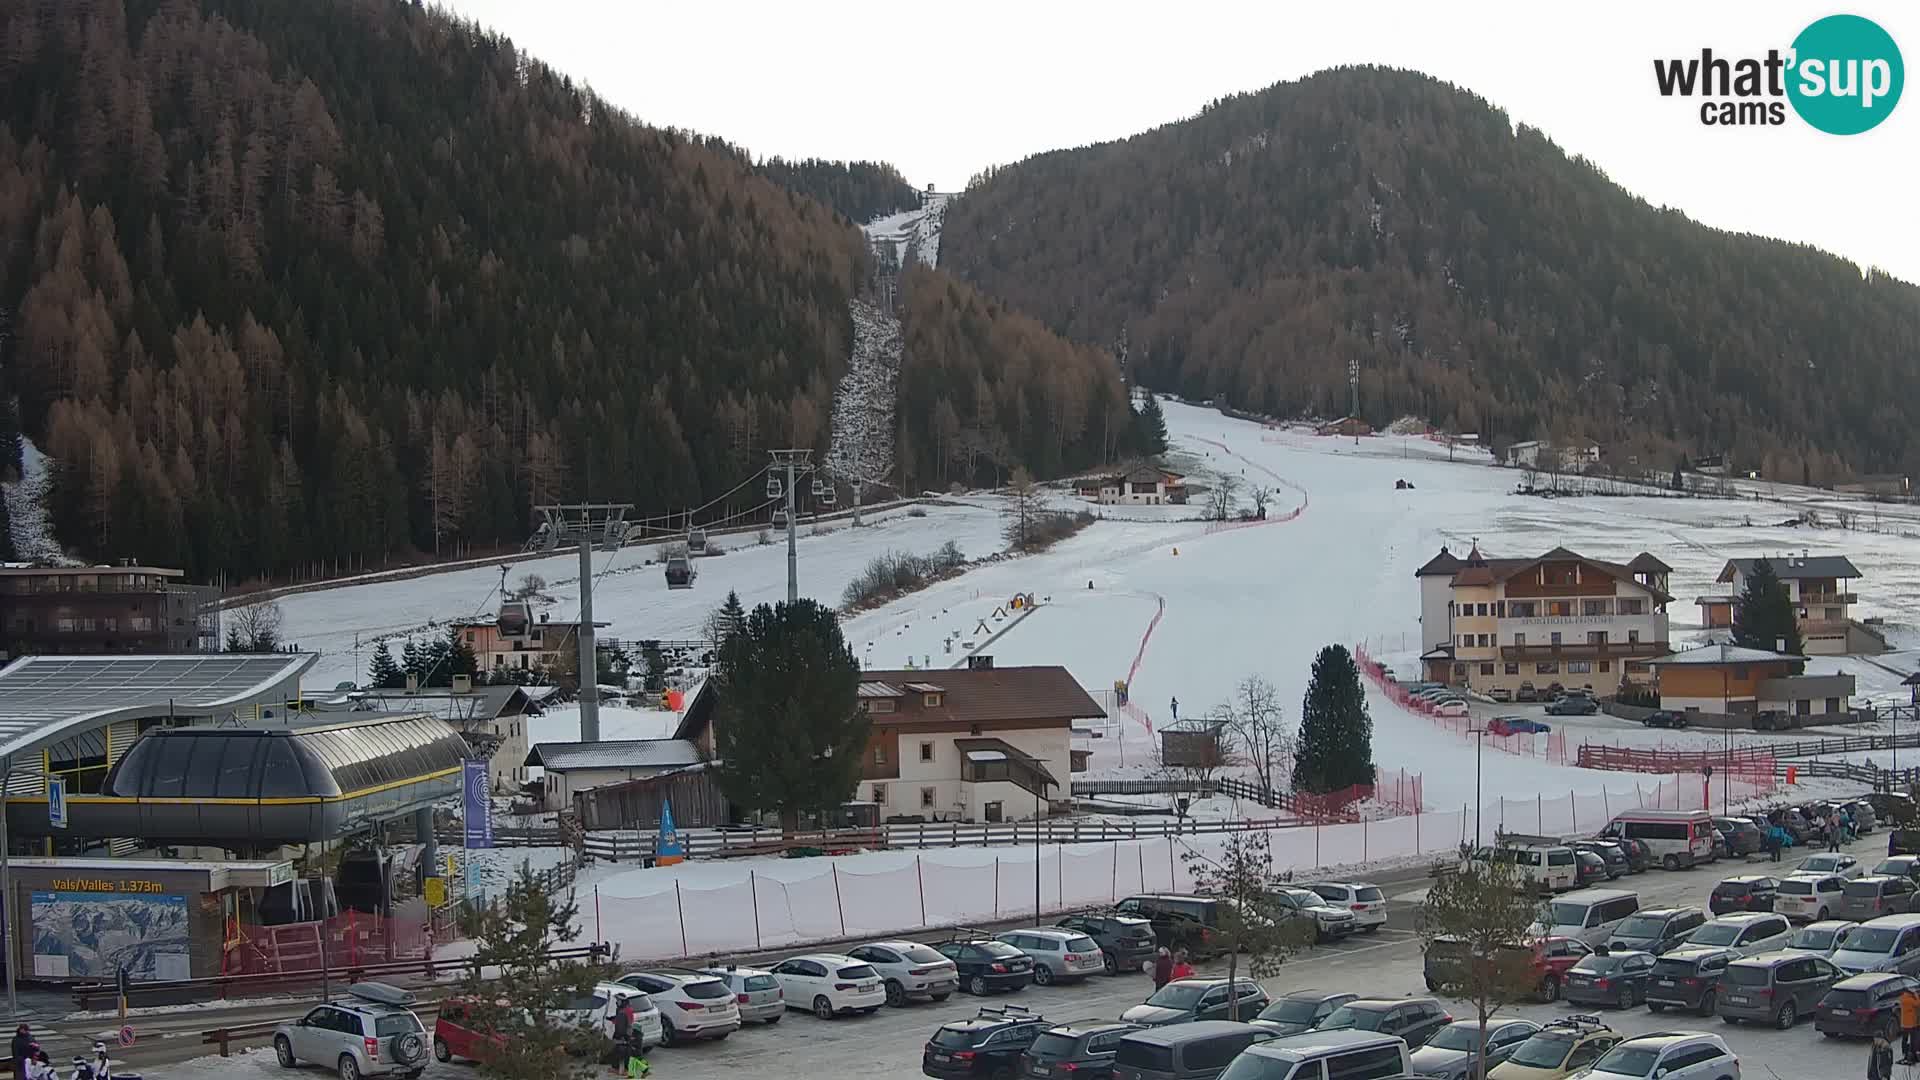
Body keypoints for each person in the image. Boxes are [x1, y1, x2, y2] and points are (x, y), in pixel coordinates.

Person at [1901, 981, 1920, 1065]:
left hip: (1904, 1023)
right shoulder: (1910, 1000)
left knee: (1904, 1039)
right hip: (1911, 1024)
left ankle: (1904, 1051)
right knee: (1913, 1039)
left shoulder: (1903, 998)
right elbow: (1918, 1004)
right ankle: (1912, 1053)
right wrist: (1916, 996)